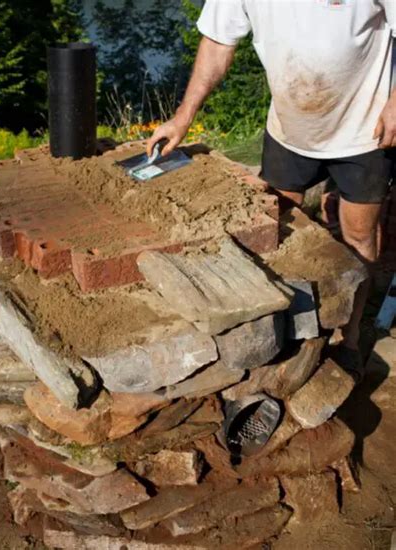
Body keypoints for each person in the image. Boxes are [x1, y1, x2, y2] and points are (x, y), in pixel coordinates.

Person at [147, 0, 396, 380]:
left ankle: (348, 337)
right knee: (275, 229)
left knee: (360, 236)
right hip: (290, 129)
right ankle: (291, 327)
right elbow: (216, 44)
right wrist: (183, 117)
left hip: (365, 131)